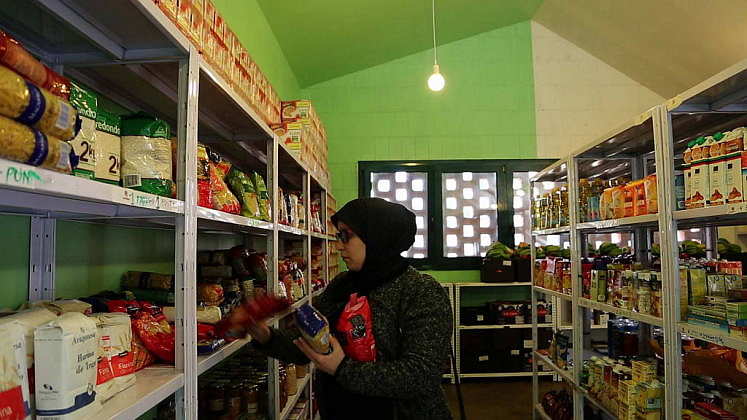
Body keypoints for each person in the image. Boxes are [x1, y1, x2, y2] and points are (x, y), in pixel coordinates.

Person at [248, 197, 454, 420]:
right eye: (339, 235)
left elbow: (420, 375)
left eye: (346, 236)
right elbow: (309, 345)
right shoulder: (342, 285)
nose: (338, 245)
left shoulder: (421, 291)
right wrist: (265, 335)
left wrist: (341, 368)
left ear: (377, 237)